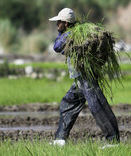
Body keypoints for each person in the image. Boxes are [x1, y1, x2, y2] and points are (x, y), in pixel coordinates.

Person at [49, 8, 120, 146]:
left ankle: (113, 142)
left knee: (98, 107)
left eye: (59, 22)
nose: (57, 24)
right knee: (67, 105)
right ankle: (60, 140)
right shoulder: (75, 32)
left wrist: (60, 32)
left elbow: (56, 47)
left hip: (86, 78)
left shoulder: (69, 34)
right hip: (80, 80)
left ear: (66, 23)